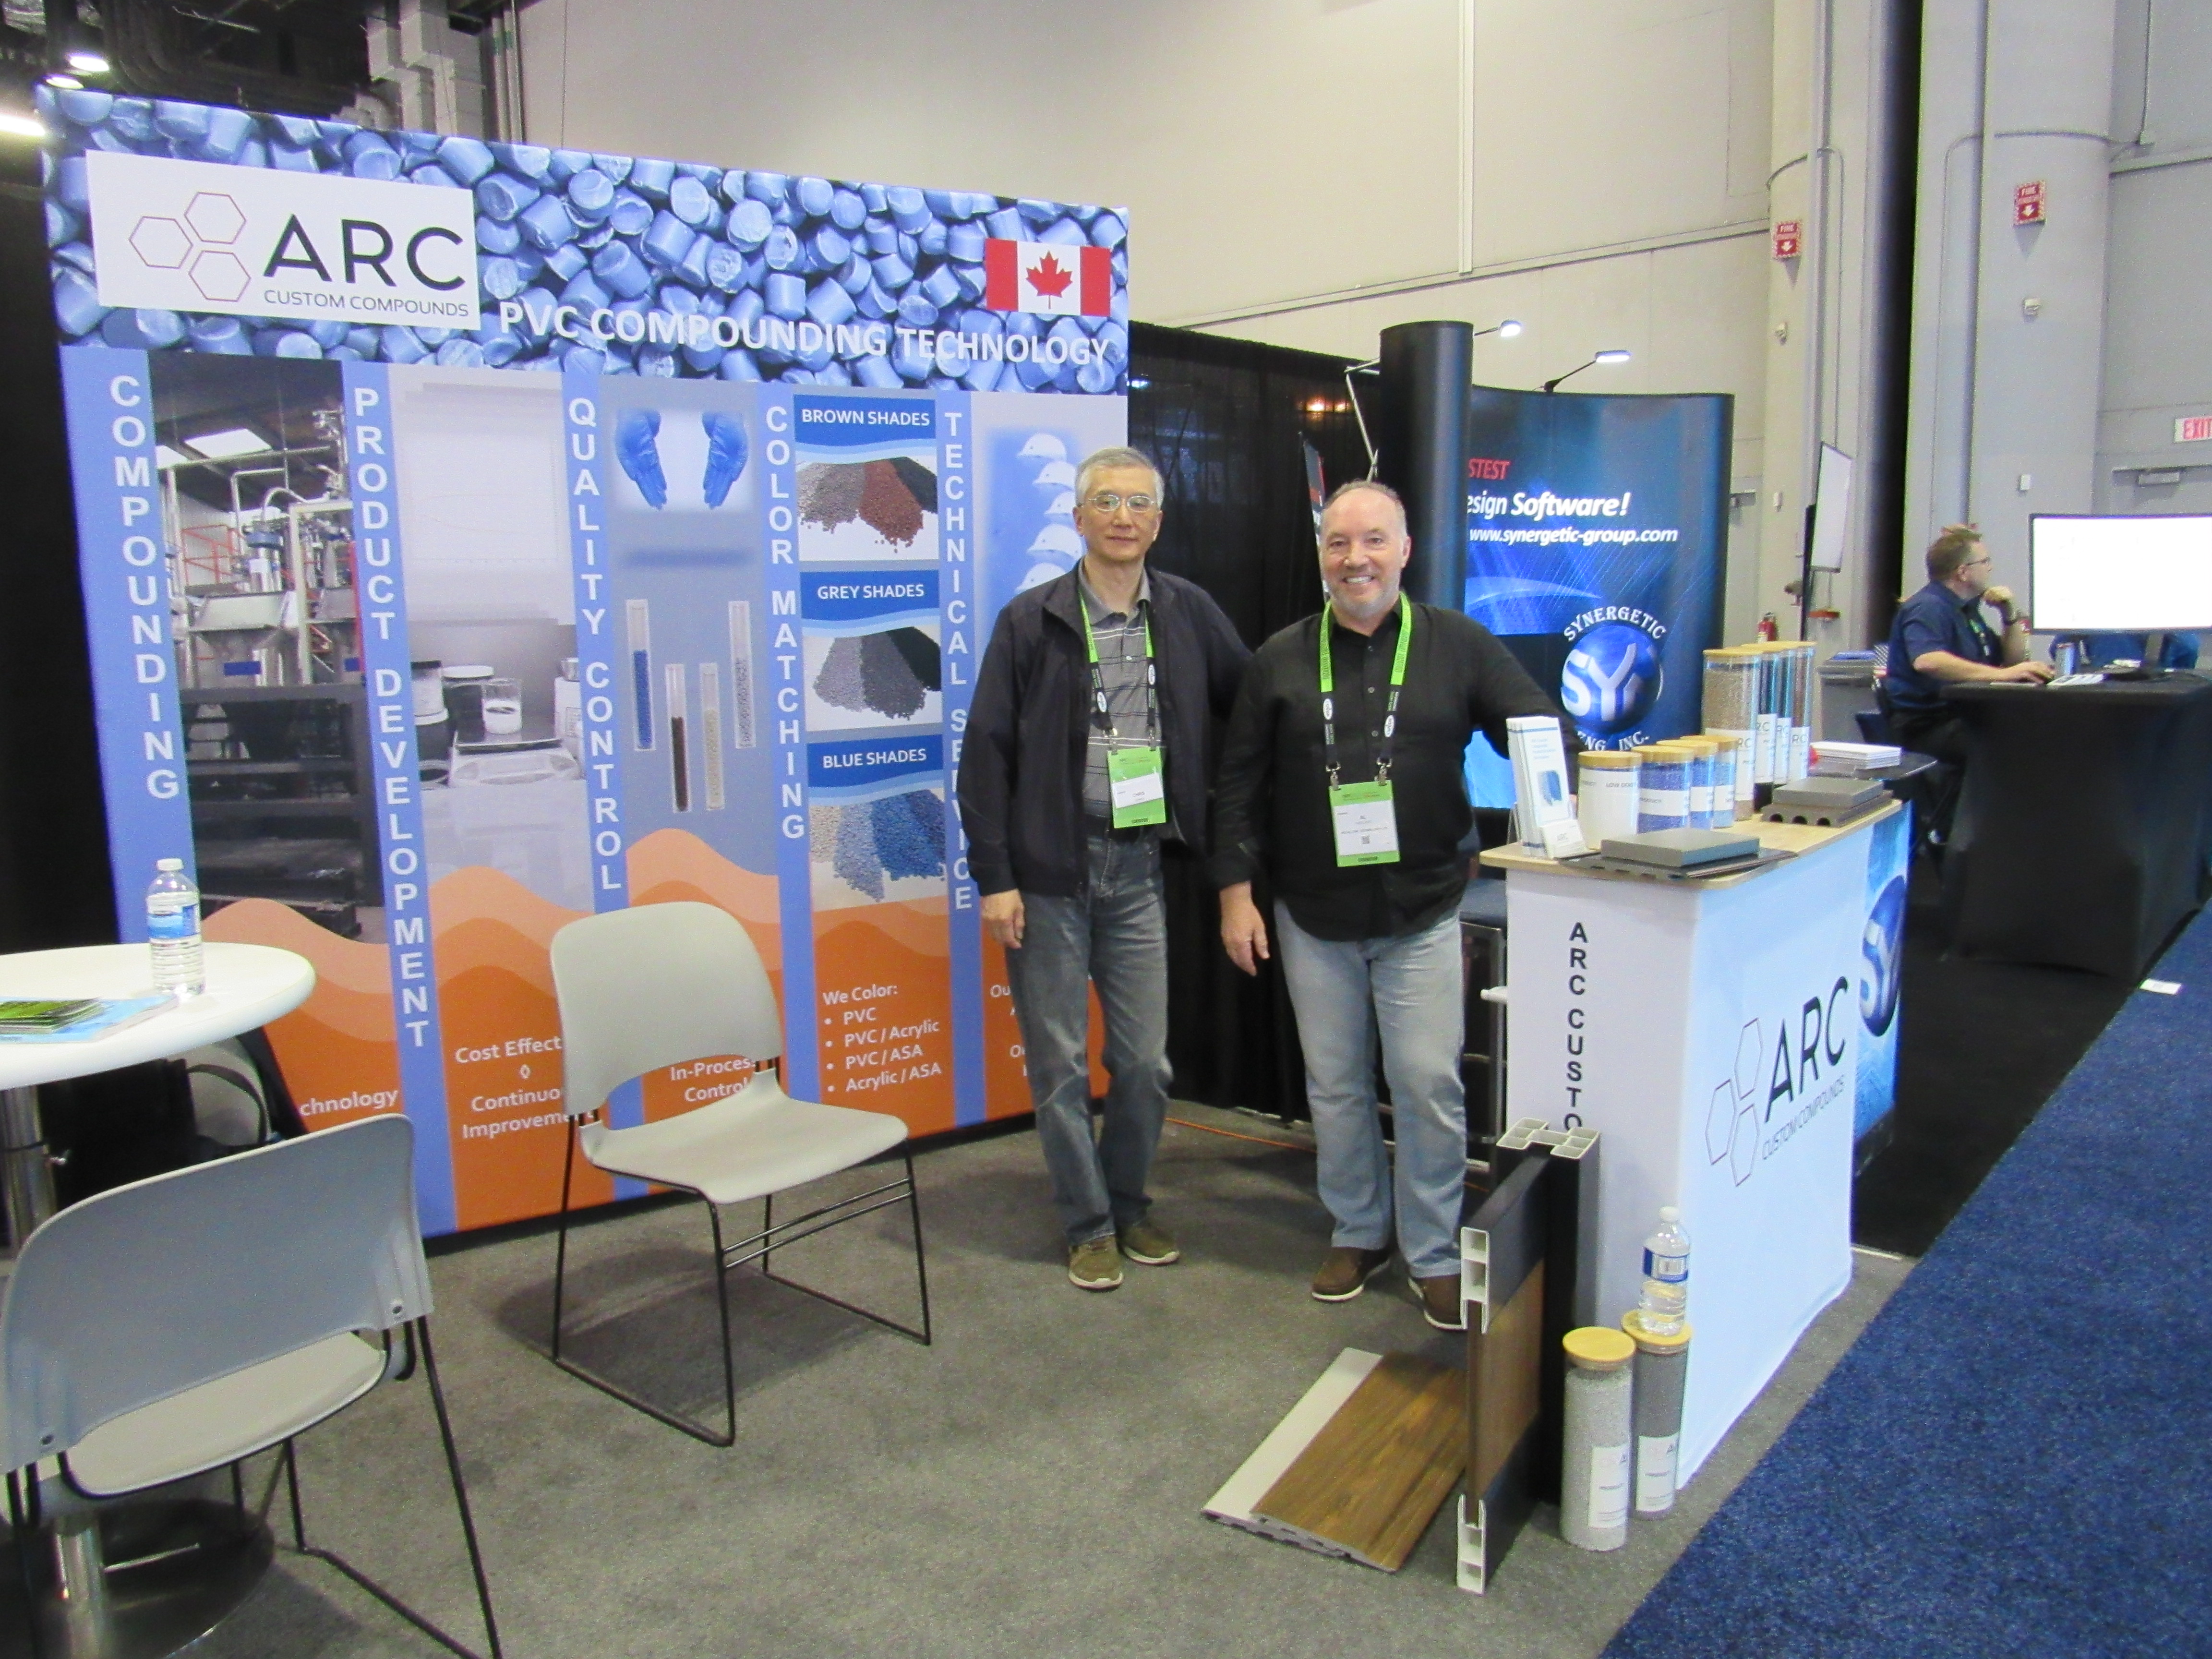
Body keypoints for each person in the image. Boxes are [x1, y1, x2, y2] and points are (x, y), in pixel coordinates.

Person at [1210, 480, 1572, 1331]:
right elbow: (1238, 788)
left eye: (1373, 540)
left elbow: (1536, 725)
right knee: (1336, 1087)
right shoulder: (1279, 659)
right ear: (1321, 556)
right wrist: (1234, 897)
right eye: (1338, 543)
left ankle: (1434, 1252)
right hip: (1311, 913)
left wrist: (1552, 810)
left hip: (1422, 910)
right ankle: (1358, 1229)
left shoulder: (1458, 644)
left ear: (1404, 550)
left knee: (1426, 1086)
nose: (1356, 559)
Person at [956, 446, 1249, 1292]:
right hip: (1050, 873)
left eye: (1139, 503)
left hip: (1139, 869)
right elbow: (985, 756)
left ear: (1158, 520)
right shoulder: (1031, 620)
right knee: (1059, 1070)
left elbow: (1252, 698)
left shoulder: (1188, 612)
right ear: (1078, 517)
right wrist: (995, 878)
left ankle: (1126, 1203)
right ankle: (1087, 1225)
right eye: (1107, 501)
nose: (1124, 517)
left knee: (1146, 1063)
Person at [1882, 522, 2053, 765]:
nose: (1990, 568)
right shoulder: (1928, 607)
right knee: (2026, 746)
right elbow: (1928, 661)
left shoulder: (1966, 611)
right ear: (1963, 572)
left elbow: (2013, 661)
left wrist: (2009, 614)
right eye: (1985, 562)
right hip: (1929, 726)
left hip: (1962, 717)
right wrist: (2003, 675)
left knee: (2042, 732)